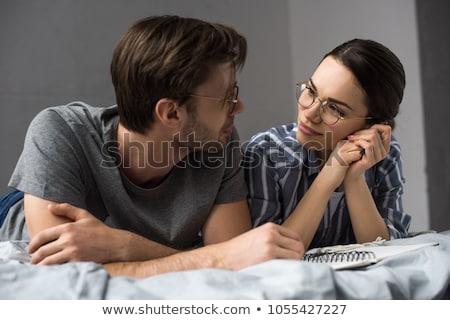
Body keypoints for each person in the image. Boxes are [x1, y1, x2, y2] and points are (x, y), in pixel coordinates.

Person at [0, 15, 304, 277]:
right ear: (171, 113)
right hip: (22, 215)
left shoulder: (218, 142)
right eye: (226, 98)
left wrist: (125, 245)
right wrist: (217, 257)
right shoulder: (60, 131)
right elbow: (62, 275)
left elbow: (236, 262)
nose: (238, 107)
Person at [244, 39, 411, 251]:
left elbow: (385, 250)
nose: (310, 114)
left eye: (335, 109)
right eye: (311, 91)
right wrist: (327, 178)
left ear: (372, 125)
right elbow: (271, 254)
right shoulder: (265, 152)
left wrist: (354, 178)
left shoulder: (384, 156)